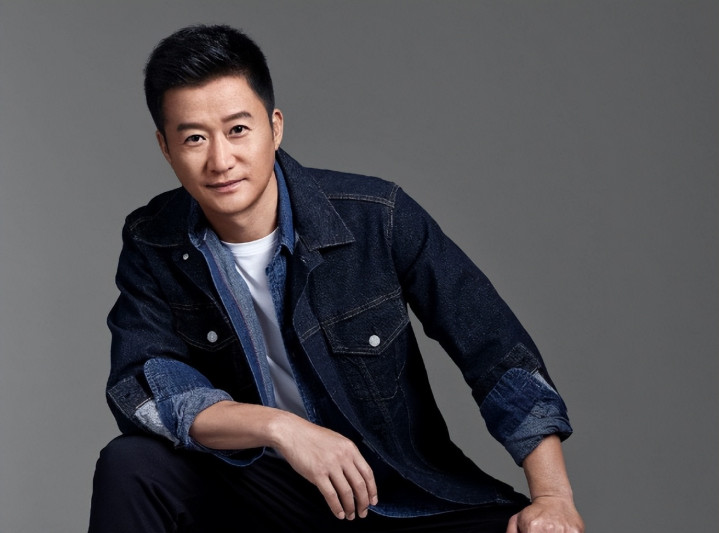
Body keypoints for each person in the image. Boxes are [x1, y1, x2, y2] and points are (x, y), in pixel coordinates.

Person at [88, 24, 584, 533]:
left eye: (238, 130)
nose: (221, 160)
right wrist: (280, 428)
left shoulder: (376, 216)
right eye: (194, 138)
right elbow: (144, 386)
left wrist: (553, 496)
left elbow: (493, 347)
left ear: (274, 128)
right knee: (131, 464)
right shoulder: (154, 241)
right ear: (166, 148)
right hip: (261, 499)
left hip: (397, 496)